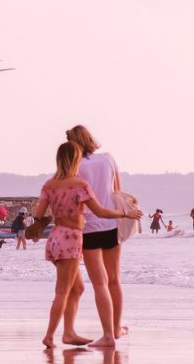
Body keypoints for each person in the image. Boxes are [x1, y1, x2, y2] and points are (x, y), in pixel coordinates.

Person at [34, 141, 139, 349]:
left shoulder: (49, 185)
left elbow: (39, 215)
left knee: (77, 288)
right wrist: (124, 213)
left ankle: (69, 332)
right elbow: (100, 211)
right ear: (75, 160)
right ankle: (50, 335)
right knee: (63, 291)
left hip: (55, 238)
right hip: (71, 238)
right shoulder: (79, 185)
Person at [67, 125, 135, 346]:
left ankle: (107, 336)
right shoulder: (107, 158)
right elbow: (117, 190)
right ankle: (115, 328)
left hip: (88, 226)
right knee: (114, 280)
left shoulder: (75, 165)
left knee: (100, 284)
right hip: (112, 223)